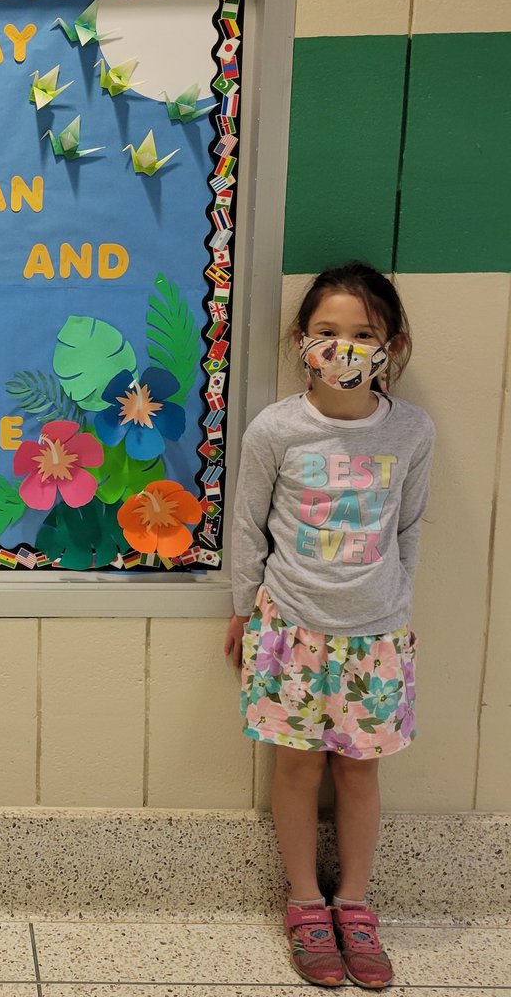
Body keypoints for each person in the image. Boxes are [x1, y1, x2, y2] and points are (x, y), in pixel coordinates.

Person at [224, 263, 434, 990]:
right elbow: (248, 527)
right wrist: (244, 606)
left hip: (377, 636)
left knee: (359, 771)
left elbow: (409, 527)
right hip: (290, 630)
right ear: (300, 341)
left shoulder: (410, 432)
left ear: (390, 347)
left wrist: (396, 606)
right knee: (298, 766)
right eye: (327, 333)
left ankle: (356, 904)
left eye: (362, 335)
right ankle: (306, 905)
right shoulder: (276, 430)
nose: (343, 348)